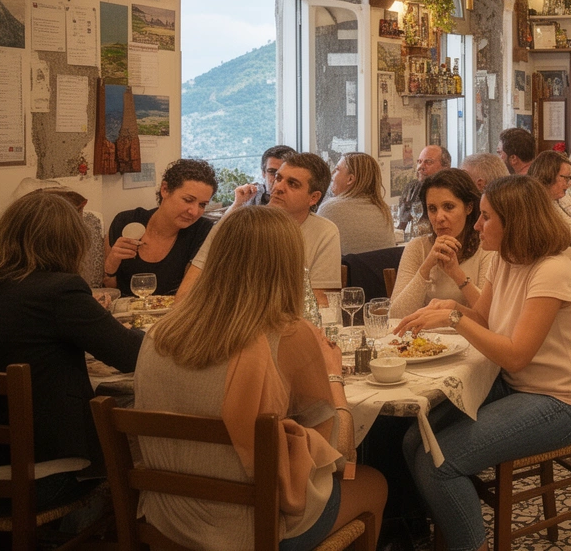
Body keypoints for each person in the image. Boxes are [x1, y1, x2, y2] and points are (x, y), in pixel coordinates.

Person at [134, 206, 387, 551]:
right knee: (373, 483)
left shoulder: (157, 333)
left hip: (168, 519)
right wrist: (333, 376)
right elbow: (339, 453)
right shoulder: (287, 335)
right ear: (288, 268)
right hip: (251, 529)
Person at [394, 176, 571, 551]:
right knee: (412, 439)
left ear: (514, 221)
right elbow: (484, 317)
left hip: (560, 402)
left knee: (439, 463)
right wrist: (449, 306)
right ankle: (448, 535)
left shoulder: (550, 270)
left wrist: (456, 320)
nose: (477, 225)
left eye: (485, 216)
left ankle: (471, 545)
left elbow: (516, 354)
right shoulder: (507, 258)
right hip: (519, 385)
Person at [0, 192, 142, 517]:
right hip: (34, 481)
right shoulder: (60, 291)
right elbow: (130, 356)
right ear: (70, 244)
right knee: (135, 449)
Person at [180, 152, 341, 302]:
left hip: (287, 328)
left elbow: (321, 303)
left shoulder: (324, 232)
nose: (278, 187)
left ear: (314, 198)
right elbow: (185, 293)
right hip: (229, 323)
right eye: (278, 178)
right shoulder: (239, 223)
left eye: (292, 184)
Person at [388, 169, 497, 319]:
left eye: (448, 207)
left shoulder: (485, 249)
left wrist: (457, 274)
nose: (439, 217)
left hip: (468, 338)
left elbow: (489, 315)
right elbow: (396, 315)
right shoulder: (417, 247)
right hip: (424, 338)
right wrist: (426, 267)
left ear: (469, 207)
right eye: (432, 209)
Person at [106, 158, 217, 296]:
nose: (194, 212)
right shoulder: (126, 221)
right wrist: (112, 262)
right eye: (188, 200)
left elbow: (190, 294)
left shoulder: (202, 231)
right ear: (165, 190)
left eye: (202, 205)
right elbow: (109, 288)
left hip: (174, 313)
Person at [317, 152, 396, 255]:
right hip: (380, 270)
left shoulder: (330, 209)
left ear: (350, 179)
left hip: (348, 270)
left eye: (337, 170)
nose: (332, 175)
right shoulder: (383, 210)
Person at [529, 151, 571, 242]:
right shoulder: (531, 204)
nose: (569, 184)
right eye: (566, 178)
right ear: (548, 175)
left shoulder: (551, 201)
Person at [397, 145, 450, 232]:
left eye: (428, 162)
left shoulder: (450, 191)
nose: (421, 166)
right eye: (419, 161)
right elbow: (402, 224)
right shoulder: (411, 188)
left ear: (445, 167)